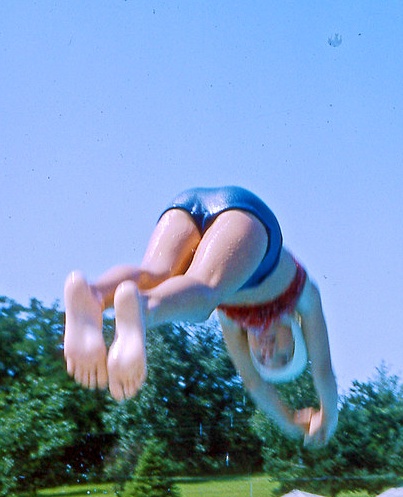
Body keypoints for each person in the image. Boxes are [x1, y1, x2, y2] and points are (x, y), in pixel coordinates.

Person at [63, 186, 338, 446]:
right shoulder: (303, 297)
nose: (268, 352)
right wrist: (328, 415)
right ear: (298, 338)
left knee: (154, 275)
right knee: (204, 297)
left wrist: (288, 421)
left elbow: (254, 382)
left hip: (186, 207)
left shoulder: (233, 320)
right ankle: (143, 311)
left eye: (263, 359)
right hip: (248, 217)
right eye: (283, 355)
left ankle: (94, 296)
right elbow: (323, 367)